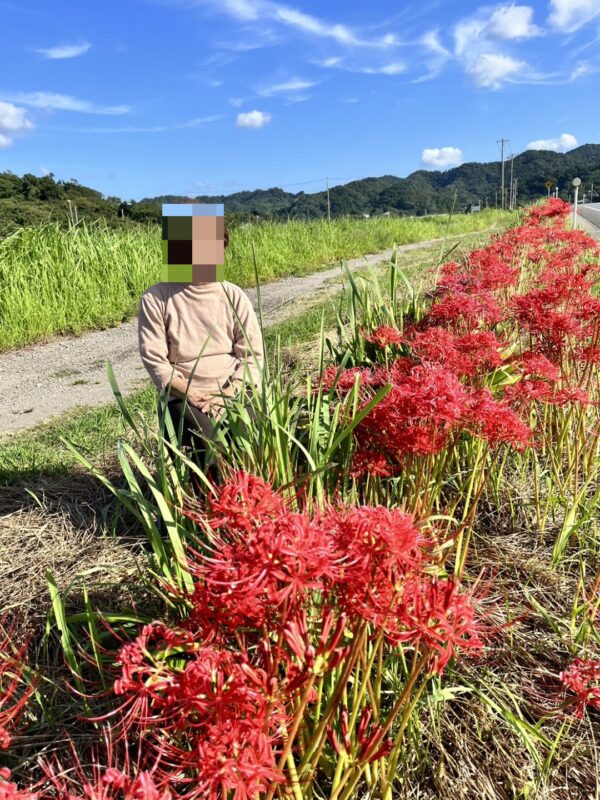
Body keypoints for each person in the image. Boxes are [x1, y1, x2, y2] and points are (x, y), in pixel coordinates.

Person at [137, 203, 263, 470]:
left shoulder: (232, 294)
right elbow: (156, 362)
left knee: (249, 434)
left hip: (233, 388)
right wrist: (192, 393)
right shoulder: (155, 298)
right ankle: (212, 504)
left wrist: (229, 393)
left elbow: (251, 355)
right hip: (183, 394)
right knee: (209, 441)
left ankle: (254, 501)